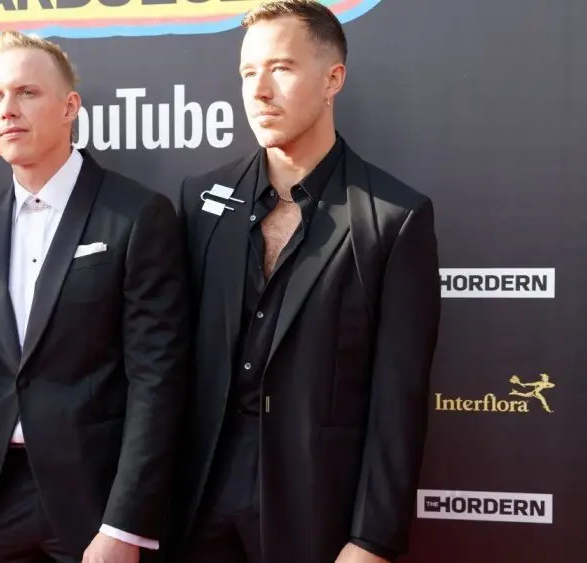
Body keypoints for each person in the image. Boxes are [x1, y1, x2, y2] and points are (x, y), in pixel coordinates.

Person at [171, 2, 441, 562]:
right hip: (196, 505)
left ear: (332, 79)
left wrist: (372, 539)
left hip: (317, 514)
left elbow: (400, 398)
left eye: (282, 68)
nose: (259, 90)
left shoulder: (393, 217)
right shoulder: (199, 202)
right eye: (248, 73)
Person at [0, 30, 190, 563]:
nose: (8, 110)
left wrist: (125, 525)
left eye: (27, 93)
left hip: (95, 505)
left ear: (69, 108)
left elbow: (157, 378)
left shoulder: (136, 214)